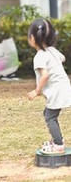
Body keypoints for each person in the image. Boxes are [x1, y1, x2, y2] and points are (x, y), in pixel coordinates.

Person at [27, 18, 71, 154]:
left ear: (32, 38)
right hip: (64, 87)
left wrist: (37, 91)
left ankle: (58, 144)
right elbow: (62, 57)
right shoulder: (52, 50)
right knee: (49, 114)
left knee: (50, 117)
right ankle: (57, 140)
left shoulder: (39, 57)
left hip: (57, 91)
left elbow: (45, 75)